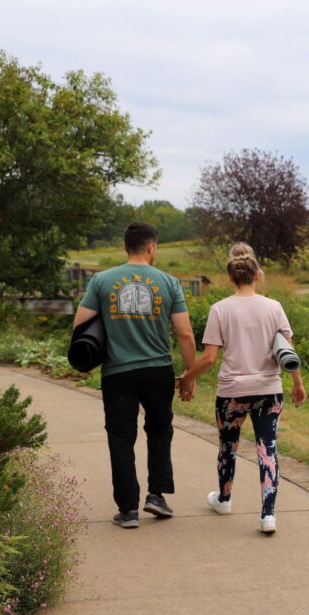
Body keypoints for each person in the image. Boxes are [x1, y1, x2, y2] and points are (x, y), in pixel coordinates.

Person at [73, 222, 196, 529]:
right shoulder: (168, 282)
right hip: (158, 371)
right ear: (152, 247)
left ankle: (127, 510)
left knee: (120, 436)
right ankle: (156, 495)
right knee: (159, 431)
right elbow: (184, 333)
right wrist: (190, 374)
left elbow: (80, 325)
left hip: (118, 371)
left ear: (125, 246)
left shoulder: (102, 281)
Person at [178, 243, 306, 534]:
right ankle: (268, 516)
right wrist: (298, 383)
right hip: (269, 389)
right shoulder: (274, 307)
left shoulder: (220, 309)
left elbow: (210, 358)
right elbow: (287, 350)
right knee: (268, 448)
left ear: (230, 277)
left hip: (232, 393)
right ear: (257, 275)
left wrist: (187, 377)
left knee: (228, 446)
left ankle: (224, 499)